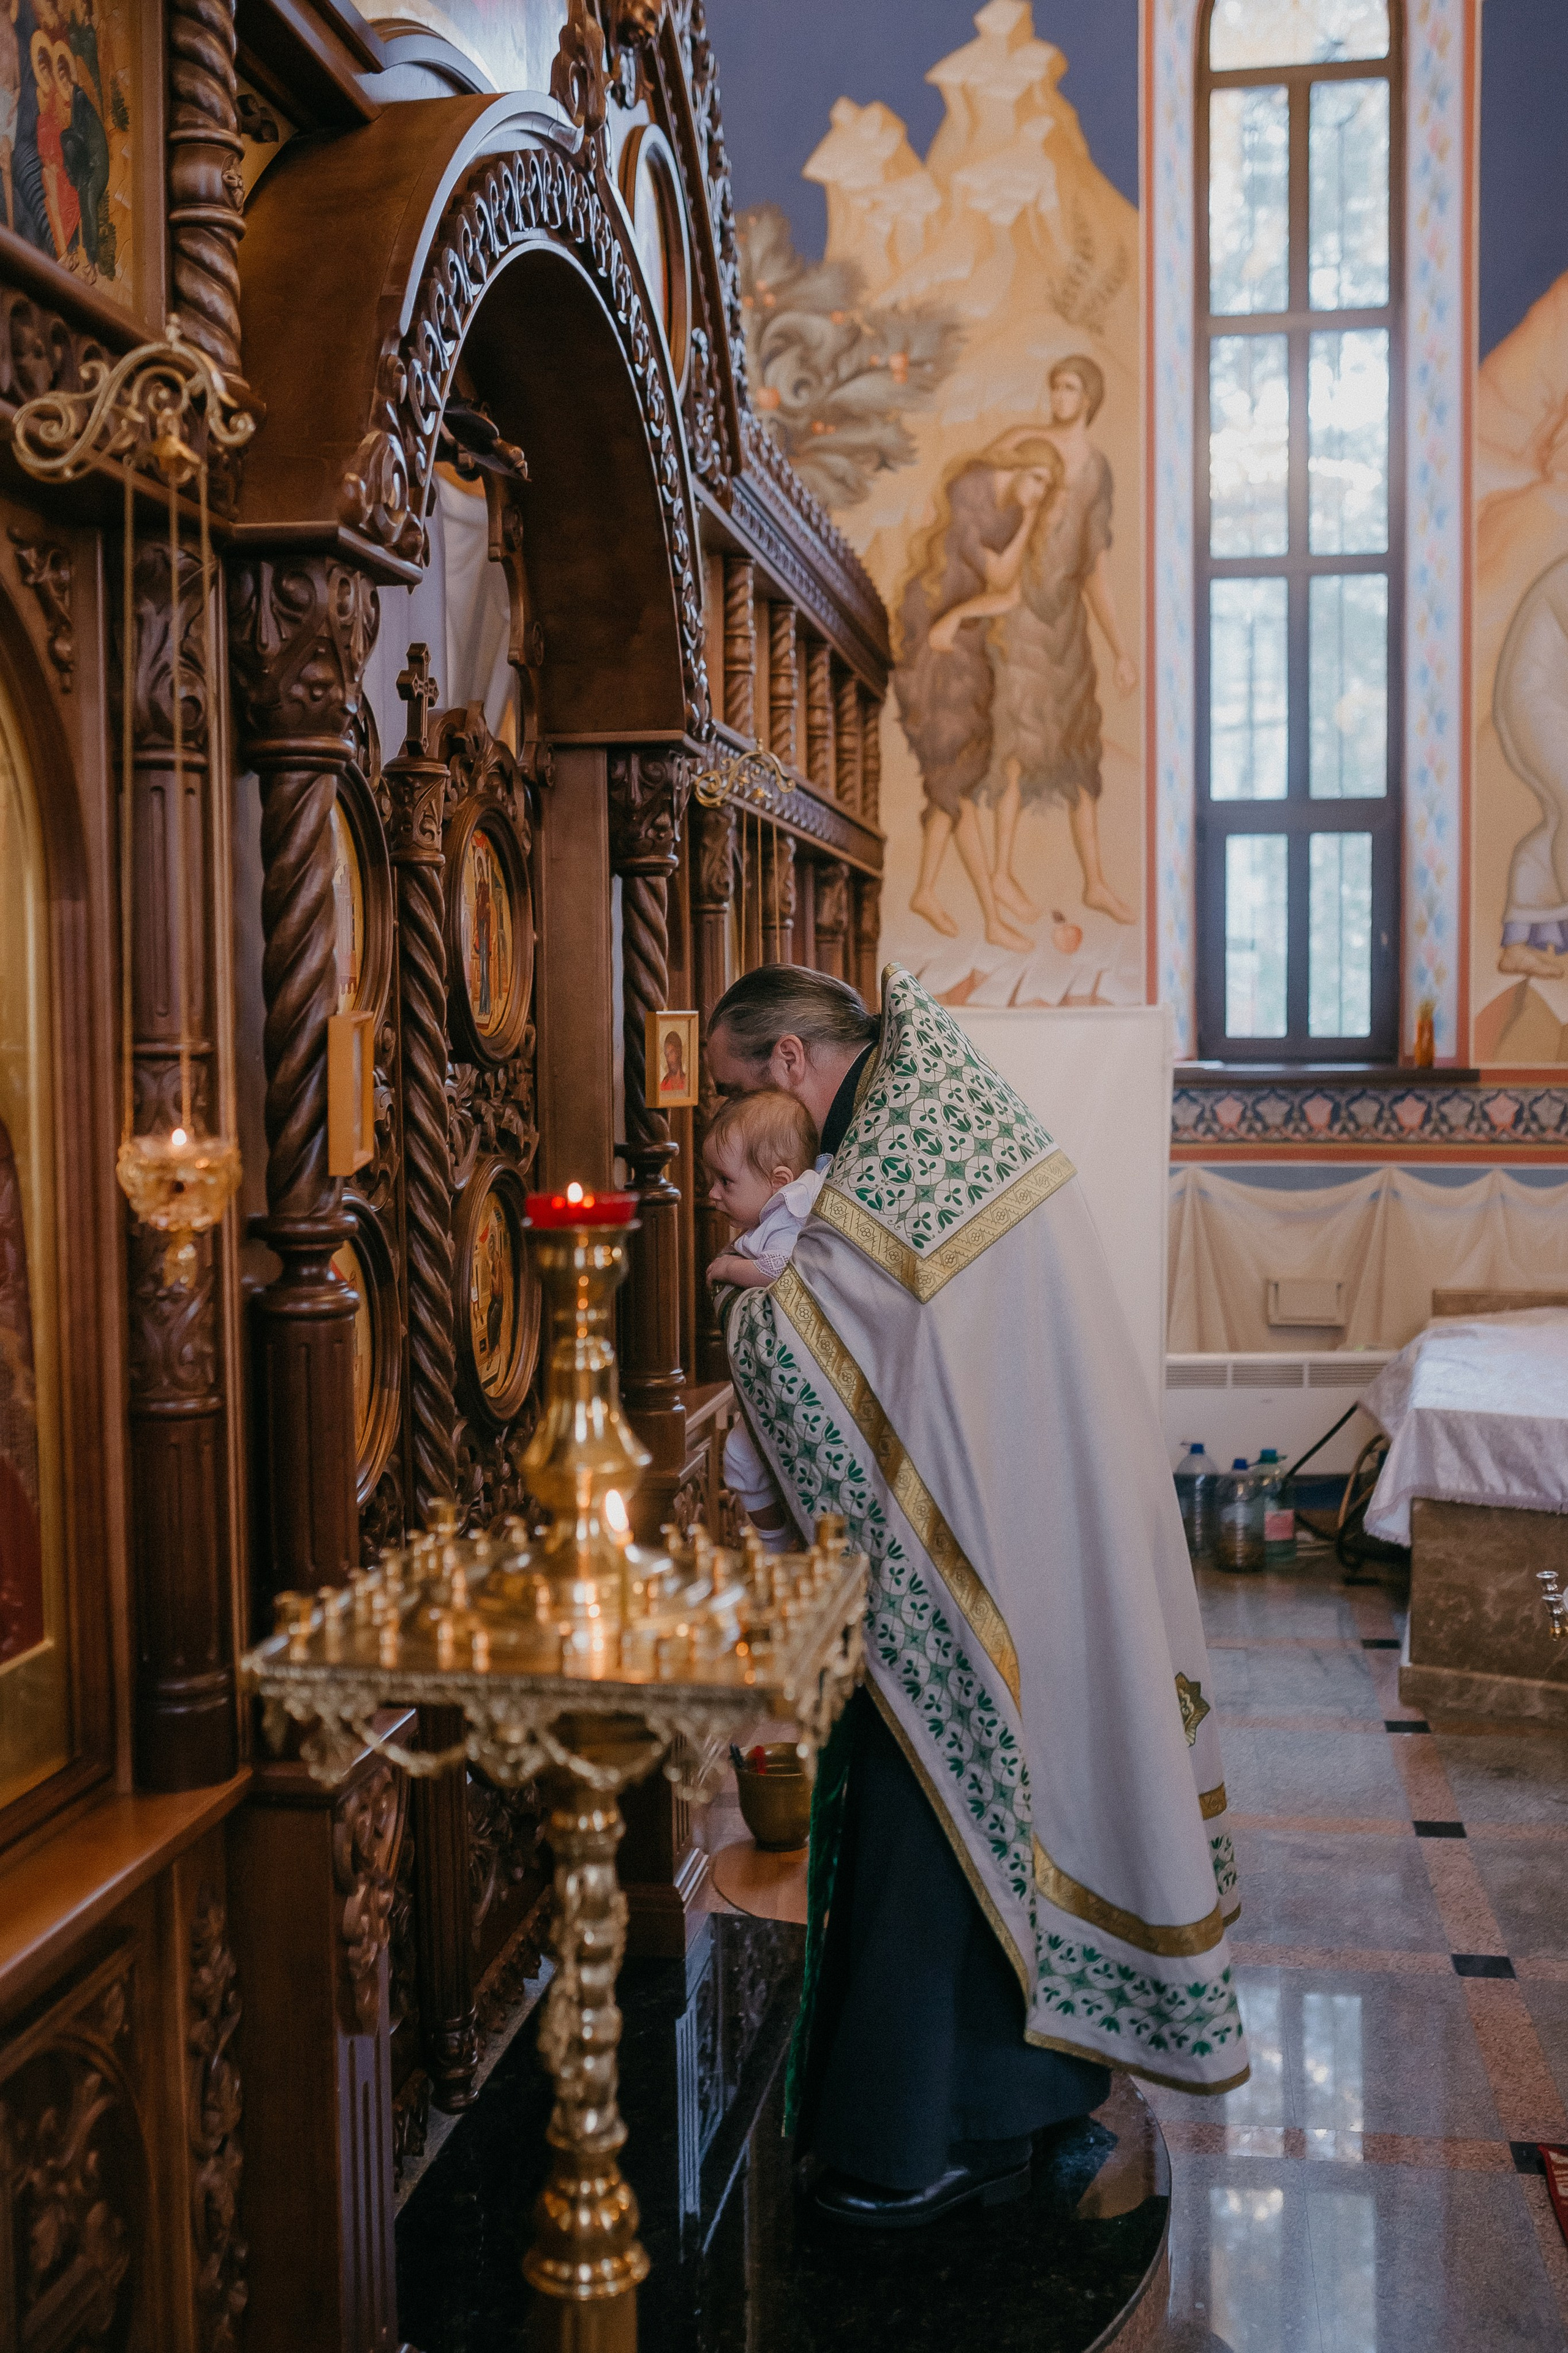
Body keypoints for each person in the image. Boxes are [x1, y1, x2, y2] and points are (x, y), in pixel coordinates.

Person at [706, 963, 1246, 2228]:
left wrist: (750, 1320)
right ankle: (1017, 2099)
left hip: (976, 1568)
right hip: (1015, 1535)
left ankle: (931, 2130)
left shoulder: (904, 1138)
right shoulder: (922, 1104)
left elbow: (812, 1345)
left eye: (736, 1087)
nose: (741, 1129)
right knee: (984, 1802)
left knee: (934, 1817)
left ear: (788, 1058)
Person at [896, 434, 1063, 952]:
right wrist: (951, 615)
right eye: (1036, 479)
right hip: (934, 640)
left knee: (958, 780)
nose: (1037, 493)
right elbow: (997, 577)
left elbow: (1008, 590)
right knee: (953, 774)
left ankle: (946, 897)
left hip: (958, 639)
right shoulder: (973, 491)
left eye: (1047, 488)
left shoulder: (1014, 514)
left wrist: (960, 614)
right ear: (1021, 465)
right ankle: (948, 899)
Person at [701, 1087, 823, 1547]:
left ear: (778, 1180)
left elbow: (777, 1269)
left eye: (725, 1181)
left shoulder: (789, 1214)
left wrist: (730, 1267)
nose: (712, 1193)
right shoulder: (775, 1212)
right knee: (743, 1459)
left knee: (741, 1457)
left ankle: (778, 1551)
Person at [659, 1025, 688, 1099]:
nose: (669, 1059)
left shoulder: (688, 1084)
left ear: (679, 1052)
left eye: (672, 1052)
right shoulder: (663, 1085)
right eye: (667, 1055)